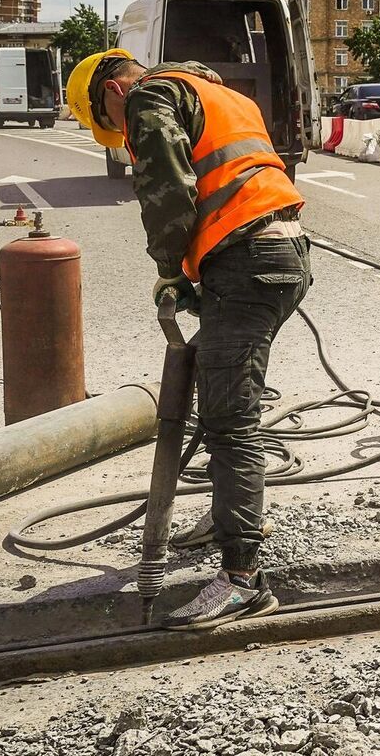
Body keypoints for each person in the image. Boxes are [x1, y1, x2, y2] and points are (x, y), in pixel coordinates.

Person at [67, 49, 310, 629]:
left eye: (110, 125)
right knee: (221, 393)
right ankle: (230, 515)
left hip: (250, 259)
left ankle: (243, 579)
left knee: (231, 420)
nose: (121, 135)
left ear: (113, 93)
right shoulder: (216, 93)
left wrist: (171, 269)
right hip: (279, 252)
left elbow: (168, 191)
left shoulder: (150, 99)